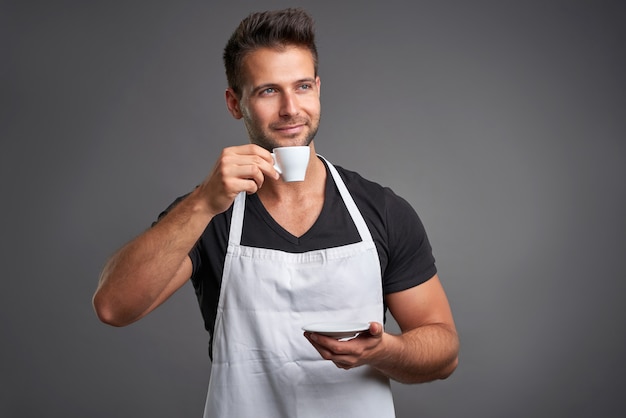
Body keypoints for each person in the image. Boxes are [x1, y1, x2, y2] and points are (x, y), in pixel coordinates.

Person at [93, 8, 459, 417]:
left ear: (318, 89)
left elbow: (444, 352)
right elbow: (113, 306)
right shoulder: (209, 214)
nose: (290, 108)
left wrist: (384, 349)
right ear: (235, 103)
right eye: (268, 91)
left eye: (302, 86)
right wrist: (201, 203)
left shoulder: (382, 210)